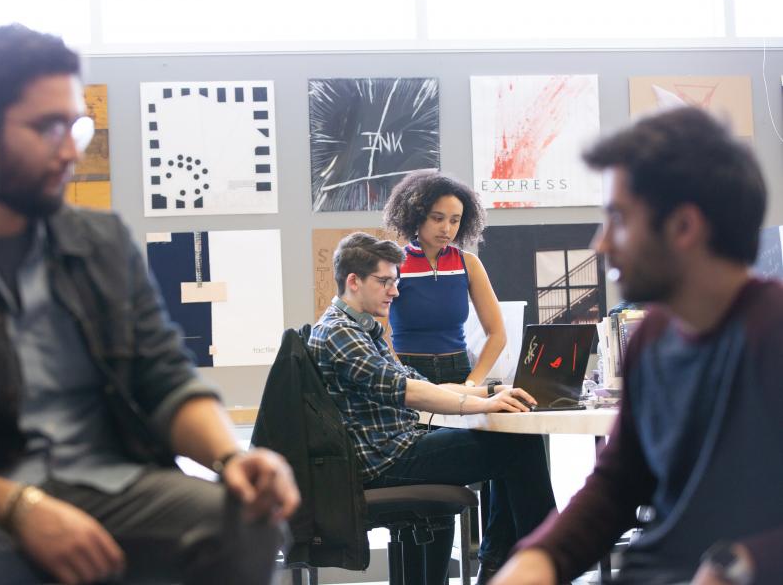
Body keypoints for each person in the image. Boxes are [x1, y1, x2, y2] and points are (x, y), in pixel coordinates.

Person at [0, 24, 299, 585]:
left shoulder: (102, 242)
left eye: (75, 126)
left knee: (245, 521)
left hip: (108, 483)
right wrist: (21, 508)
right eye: (47, 128)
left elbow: (165, 378)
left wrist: (234, 459)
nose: (69, 151)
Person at [492, 107, 783, 585]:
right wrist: (537, 560)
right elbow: (617, 484)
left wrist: (741, 565)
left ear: (684, 227)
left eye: (618, 218)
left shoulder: (772, 331)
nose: (601, 243)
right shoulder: (653, 338)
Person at [308, 232, 557, 585]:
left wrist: (492, 390)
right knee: (519, 446)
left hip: (395, 449)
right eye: (385, 282)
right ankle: (541, 566)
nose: (395, 291)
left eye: (395, 282)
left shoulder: (362, 330)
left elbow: (423, 384)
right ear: (354, 281)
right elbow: (408, 391)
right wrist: (483, 403)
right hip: (384, 462)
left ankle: (509, 565)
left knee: (515, 441)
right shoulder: (339, 332)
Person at [382, 170, 519, 579]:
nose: (447, 228)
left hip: (461, 375)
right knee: (431, 491)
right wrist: (407, 380)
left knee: (508, 451)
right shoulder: (394, 264)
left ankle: (496, 558)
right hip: (411, 377)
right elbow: (381, 336)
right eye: (438, 217)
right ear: (416, 215)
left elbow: (497, 334)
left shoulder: (468, 264)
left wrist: (472, 383)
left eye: (455, 220)